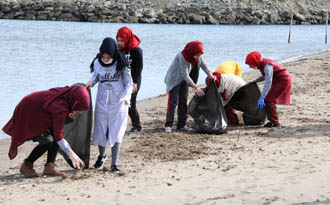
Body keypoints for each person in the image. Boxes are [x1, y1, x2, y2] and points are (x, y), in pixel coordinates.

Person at [2, 85, 90, 178]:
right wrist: (72, 155)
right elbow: (59, 136)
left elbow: (58, 133)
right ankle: (27, 164)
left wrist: (69, 111)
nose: (80, 112)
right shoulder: (60, 108)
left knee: (56, 135)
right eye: (79, 109)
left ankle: (49, 167)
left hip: (41, 110)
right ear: (74, 102)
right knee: (47, 142)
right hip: (29, 112)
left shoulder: (66, 95)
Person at [86, 37, 133, 173]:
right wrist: (91, 82)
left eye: (108, 57)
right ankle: (102, 156)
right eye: (104, 57)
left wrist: (126, 97)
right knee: (100, 130)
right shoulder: (97, 62)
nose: (105, 59)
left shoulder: (121, 63)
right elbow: (95, 76)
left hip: (118, 102)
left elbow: (129, 83)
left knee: (116, 131)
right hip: (102, 100)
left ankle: (114, 163)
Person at [164, 41, 215, 133]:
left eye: (200, 55)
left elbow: (205, 66)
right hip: (174, 80)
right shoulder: (182, 56)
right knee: (173, 102)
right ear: (192, 52)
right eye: (197, 55)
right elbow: (185, 75)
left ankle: (181, 125)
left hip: (184, 81)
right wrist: (196, 88)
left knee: (183, 101)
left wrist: (210, 74)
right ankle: (168, 125)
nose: (198, 57)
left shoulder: (198, 55)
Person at [245, 51, 291, 128]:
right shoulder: (262, 64)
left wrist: (262, 96)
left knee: (269, 100)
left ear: (255, 61)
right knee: (268, 100)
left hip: (283, 80)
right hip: (277, 79)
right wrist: (256, 80)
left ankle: (275, 123)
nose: (250, 66)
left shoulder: (267, 66)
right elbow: (265, 76)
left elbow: (268, 82)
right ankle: (272, 121)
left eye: (250, 64)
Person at [116, 27, 143, 134]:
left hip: (134, 80)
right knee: (119, 103)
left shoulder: (136, 50)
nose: (120, 43)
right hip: (121, 80)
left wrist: (135, 82)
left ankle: (137, 126)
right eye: (118, 40)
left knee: (131, 103)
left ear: (127, 38)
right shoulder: (118, 49)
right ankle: (118, 125)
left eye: (122, 40)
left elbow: (139, 67)